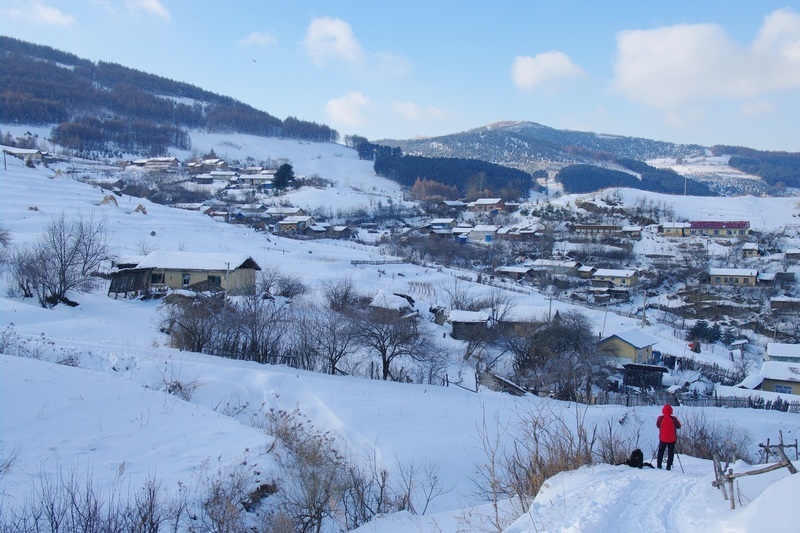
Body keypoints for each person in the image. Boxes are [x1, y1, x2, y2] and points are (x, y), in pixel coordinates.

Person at [656, 404, 681, 470]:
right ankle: (668, 466)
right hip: (672, 439)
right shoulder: (674, 419)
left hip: (663, 438)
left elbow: (658, 425)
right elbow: (678, 426)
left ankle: (659, 464)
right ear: (671, 410)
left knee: (661, 451)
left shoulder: (660, 418)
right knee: (671, 452)